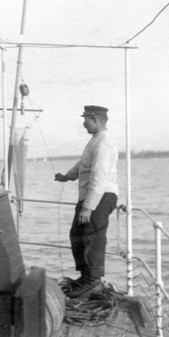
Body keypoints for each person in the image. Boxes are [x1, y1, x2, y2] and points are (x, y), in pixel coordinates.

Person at [54, 105, 118, 298]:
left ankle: (93, 281)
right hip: (92, 196)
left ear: (96, 119)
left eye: (86, 119)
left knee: (92, 237)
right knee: (77, 233)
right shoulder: (95, 141)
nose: (83, 123)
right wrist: (67, 177)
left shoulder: (104, 143)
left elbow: (98, 178)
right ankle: (85, 277)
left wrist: (88, 207)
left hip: (101, 196)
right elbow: (83, 165)